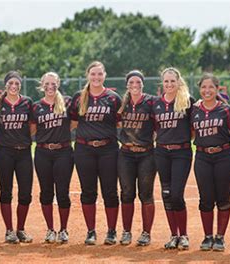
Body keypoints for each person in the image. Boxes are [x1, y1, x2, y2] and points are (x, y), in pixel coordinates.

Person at [70, 61, 121, 245]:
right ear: (87, 75)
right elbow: (73, 123)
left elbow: (120, 123)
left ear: (105, 75)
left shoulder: (113, 98)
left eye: (99, 74)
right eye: (93, 74)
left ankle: (112, 231)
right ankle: (91, 232)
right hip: (84, 149)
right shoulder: (79, 97)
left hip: (108, 149)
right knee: (88, 191)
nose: (96, 77)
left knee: (110, 191)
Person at [191, 73, 230, 251]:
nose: (207, 90)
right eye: (203, 87)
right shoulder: (194, 110)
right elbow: (190, 133)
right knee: (206, 199)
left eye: (211, 87)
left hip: (223, 155)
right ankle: (208, 236)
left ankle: (220, 237)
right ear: (199, 89)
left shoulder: (226, 110)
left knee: (223, 199)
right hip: (202, 157)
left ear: (217, 89)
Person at [152, 67, 194, 250]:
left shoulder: (187, 101)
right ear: (163, 83)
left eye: (172, 81)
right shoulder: (156, 104)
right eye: (166, 81)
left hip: (181, 153)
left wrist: (179, 140)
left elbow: (193, 129)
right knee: (166, 194)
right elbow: (155, 129)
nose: (169, 84)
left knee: (177, 194)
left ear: (178, 82)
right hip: (161, 152)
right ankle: (173, 235)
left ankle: (183, 235)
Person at [30, 72, 73, 244]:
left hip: (63, 151)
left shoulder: (67, 103)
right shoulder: (36, 107)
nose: (50, 87)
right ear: (42, 85)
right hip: (42, 153)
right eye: (47, 84)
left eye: (53, 84)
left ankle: (63, 229)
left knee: (63, 192)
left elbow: (74, 124)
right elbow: (32, 130)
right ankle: (50, 229)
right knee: (46, 192)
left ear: (58, 84)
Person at [0, 71, 34, 244]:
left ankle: (21, 229)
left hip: (24, 152)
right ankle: (9, 230)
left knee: (25, 193)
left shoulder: (27, 102)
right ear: (5, 85)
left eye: (17, 83)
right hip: (4, 152)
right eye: (11, 83)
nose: (14, 86)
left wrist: (22, 139)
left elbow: (32, 127)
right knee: (6, 191)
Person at [117, 70, 156, 246]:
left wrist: (149, 140)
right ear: (127, 85)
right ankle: (126, 232)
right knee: (126, 193)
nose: (135, 85)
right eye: (131, 82)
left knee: (146, 194)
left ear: (142, 84)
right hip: (126, 153)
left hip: (146, 153)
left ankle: (146, 233)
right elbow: (115, 122)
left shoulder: (151, 102)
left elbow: (157, 124)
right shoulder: (122, 103)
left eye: (138, 82)